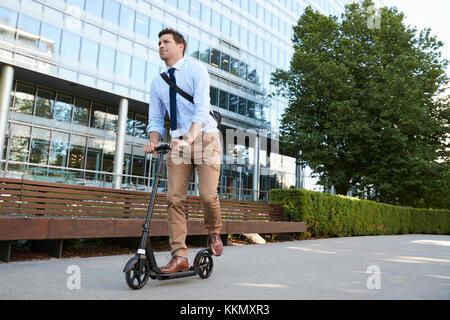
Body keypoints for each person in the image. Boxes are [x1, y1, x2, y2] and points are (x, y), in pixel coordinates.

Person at [144, 28, 223, 274]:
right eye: (158, 43)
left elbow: (202, 107)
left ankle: (214, 231)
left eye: (166, 42)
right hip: (178, 143)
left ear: (180, 46)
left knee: (207, 196)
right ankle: (179, 255)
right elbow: (156, 118)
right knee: (173, 198)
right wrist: (153, 139)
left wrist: (190, 137)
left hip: (205, 138)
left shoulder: (196, 70)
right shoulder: (157, 82)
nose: (161, 46)